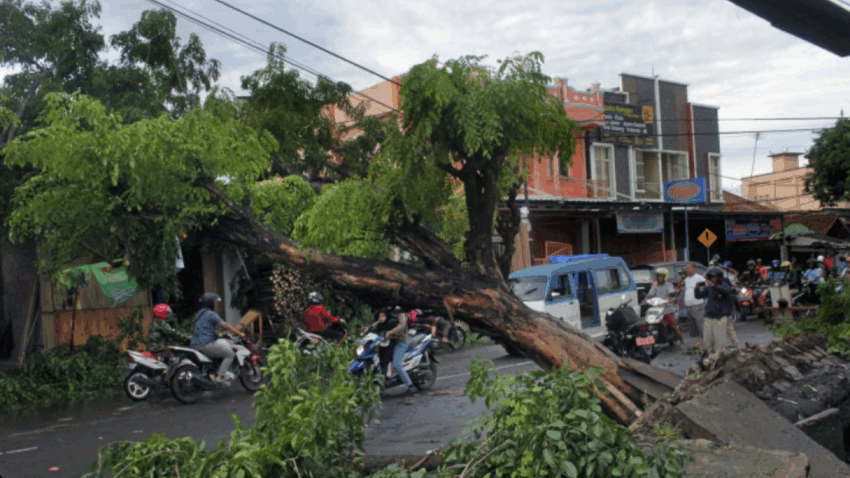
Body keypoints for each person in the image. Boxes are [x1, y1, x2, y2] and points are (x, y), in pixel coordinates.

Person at [190, 292, 245, 385]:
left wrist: (216, 334)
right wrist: (239, 333)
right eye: (214, 303)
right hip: (206, 344)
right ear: (210, 303)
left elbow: (204, 328)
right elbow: (224, 325)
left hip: (194, 344)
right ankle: (220, 377)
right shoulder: (211, 314)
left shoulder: (199, 314)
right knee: (229, 354)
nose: (215, 305)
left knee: (221, 344)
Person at [695, 267, 734, 353]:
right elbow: (698, 296)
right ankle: (709, 356)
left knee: (719, 342)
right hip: (709, 316)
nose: (714, 279)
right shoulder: (708, 287)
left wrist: (714, 286)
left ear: (719, 277)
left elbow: (727, 290)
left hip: (720, 317)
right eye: (712, 277)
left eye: (716, 277)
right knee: (707, 341)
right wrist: (696, 288)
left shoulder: (724, 284)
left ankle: (721, 355)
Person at [641, 268, 683, 345]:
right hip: (657, 310)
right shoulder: (655, 286)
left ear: (664, 277)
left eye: (661, 276)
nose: (659, 278)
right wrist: (644, 301)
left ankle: (682, 342)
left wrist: (671, 296)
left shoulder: (669, 285)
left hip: (667, 309)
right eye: (658, 276)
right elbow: (650, 294)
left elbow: (671, 292)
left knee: (673, 326)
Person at [682, 263, 706, 352]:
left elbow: (704, 289)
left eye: (688, 268)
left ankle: (705, 344)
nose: (687, 270)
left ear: (693, 268)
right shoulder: (686, 280)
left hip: (697, 305)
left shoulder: (699, 278)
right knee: (692, 326)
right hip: (689, 305)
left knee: (700, 324)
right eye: (686, 268)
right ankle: (696, 344)